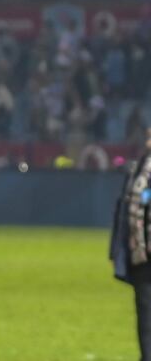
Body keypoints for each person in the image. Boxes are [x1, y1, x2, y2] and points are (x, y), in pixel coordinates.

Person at [110, 127, 151, 361]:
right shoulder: (138, 168)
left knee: (146, 315)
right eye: (145, 136)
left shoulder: (140, 170)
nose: (147, 141)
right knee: (145, 315)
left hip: (143, 252)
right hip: (141, 254)